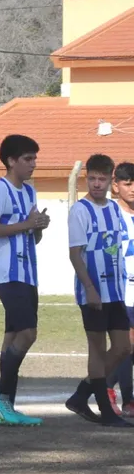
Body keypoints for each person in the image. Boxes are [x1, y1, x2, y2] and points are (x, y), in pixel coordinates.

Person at [0, 134, 51, 426]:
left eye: (34, 158)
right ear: (11, 161)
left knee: (12, 336)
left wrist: (39, 227)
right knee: (28, 333)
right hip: (7, 272)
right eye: (28, 159)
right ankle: (2, 397)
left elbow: (32, 236)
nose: (33, 164)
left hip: (28, 271)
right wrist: (27, 224)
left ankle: (5, 404)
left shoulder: (30, 192)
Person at [64, 154, 133, 427]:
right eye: (92, 178)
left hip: (116, 292)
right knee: (97, 348)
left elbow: (113, 247)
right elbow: (75, 255)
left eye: (101, 178)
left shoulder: (115, 210)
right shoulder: (80, 210)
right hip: (92, 292)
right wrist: (90, 288)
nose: (96, 183)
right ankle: (105, 410)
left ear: (109, 181)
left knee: (122, 347)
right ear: (86, 178)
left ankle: (81, 396)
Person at [107, 162, 134, 416]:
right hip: (121, 290)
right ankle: (127, 398)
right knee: (127, 344)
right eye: (127, 184)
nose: (132, 189)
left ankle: (103, 386)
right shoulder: (112, 214)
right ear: (116, 186)